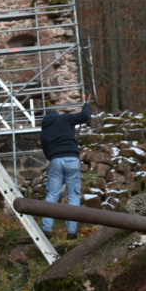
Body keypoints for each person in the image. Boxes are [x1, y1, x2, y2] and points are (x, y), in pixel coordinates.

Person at [39, 98, 93, 239]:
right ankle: (71, 232)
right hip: (71, 159)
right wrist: (86, 105)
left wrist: (54, 157)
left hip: (55, 160)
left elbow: (46, 151)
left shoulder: (44, 130)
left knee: (52, 195)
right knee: (73, 195)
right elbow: (85, 116)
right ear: (56, 115)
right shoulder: (65, 119)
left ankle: (46, 229)